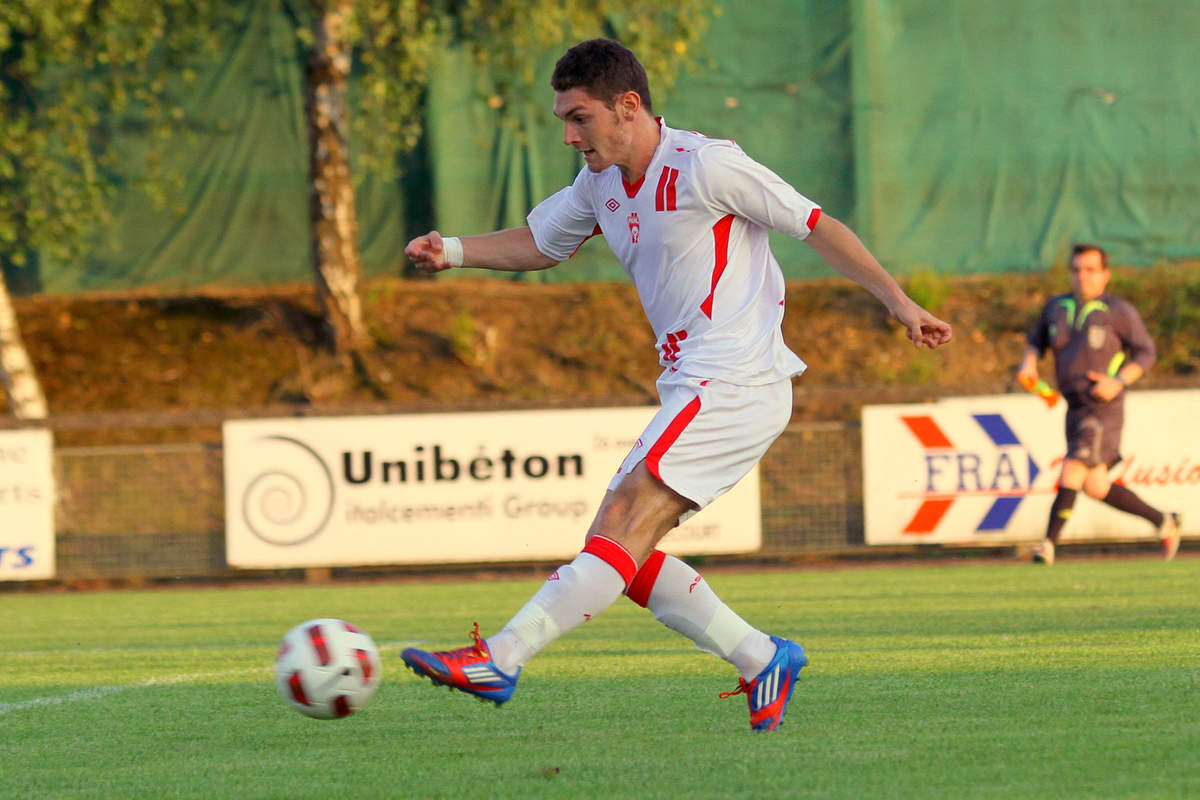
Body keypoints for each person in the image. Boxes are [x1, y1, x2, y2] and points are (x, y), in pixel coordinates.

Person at [401, 38, 952, 732]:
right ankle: (760, 657)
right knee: (621, 551)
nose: (570, 135)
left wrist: (899, 302)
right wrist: (452, 251)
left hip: (735, 379)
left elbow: (817, 226)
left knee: (620, 528)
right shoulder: (598, 183)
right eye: (563, 121)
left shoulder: (707, 165)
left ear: (628, 107)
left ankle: (501, 659)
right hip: (696, 384)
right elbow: (543, 244)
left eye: (580, 118)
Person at [1017, 243, 1181, 565]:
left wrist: (1118, 381)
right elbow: (1036, 341)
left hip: (1104, 407)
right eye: (1077, 269)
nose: (1083, 276)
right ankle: (1165, 521)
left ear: (1105, 275)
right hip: (1074, 406)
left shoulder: (1119, 312)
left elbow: (1146, 353)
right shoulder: (1056, 307)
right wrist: (1029, 363)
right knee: (1095, 485)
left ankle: (1048, 544)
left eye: (1091, 270)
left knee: (1073, 468)